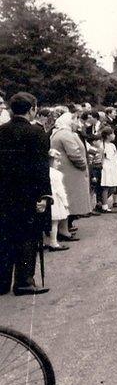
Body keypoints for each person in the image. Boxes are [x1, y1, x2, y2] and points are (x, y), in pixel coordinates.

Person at [0, 92, 51, 296]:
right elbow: (41, 168)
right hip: (27, 195)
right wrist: (44, 195)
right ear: (32, 109)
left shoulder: (1, 132)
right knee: (27, 238)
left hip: (3, 195)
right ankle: (23, 281)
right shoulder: (36, 133)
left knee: (3, 237)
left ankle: (2, 281)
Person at [50, 107, 92, 230]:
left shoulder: (59, 133)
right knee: (69, 200)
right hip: (70, 173)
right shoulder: (66, 135)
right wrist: (83, 164)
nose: (76, 123)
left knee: (67, 200)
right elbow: (74, 153)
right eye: (74, 121)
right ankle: (64, 229)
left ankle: (65, 227)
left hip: (65, 170)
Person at [45, 150, 70, 252]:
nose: (59, 164)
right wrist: (65, 202)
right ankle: (53, 243)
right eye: (57, 161)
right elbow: (60, 190)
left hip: (46, 198)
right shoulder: (56, 174)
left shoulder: (44, 171)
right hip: (54, 200)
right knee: (54, 222)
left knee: (46, 222)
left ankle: (43, 242)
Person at [99, 127, 117, 212]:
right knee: (106, 187)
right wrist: (102, 166)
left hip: (113, 167)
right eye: (112, 134)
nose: (114, 135)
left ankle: (101, 202)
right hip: (107, 167)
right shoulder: (102, 145)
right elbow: (102, 157)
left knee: (113, 187)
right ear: (107, 136)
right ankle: (104, 206)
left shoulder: (113, 145)